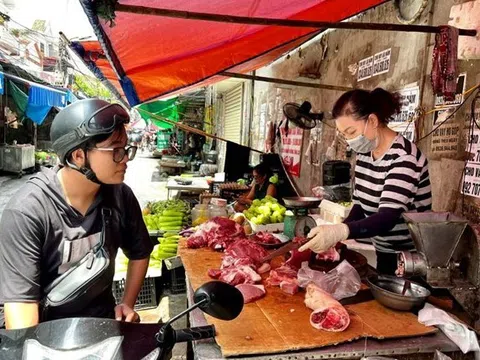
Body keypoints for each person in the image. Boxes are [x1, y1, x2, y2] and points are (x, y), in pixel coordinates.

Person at [0, 99, 153, 329]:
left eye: (126, 149)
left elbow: (140, 252)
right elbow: (21, 319)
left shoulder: (121, 197)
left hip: (99, 325)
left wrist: (127, 303)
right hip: (43, 330)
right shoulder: (27, 212)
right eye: (116, 150)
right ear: (78, 156)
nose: (125, 159)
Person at [299, 88, 432, 275]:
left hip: (411, 259)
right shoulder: (364, 156)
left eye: (351, 131)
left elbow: (387, 218)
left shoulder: (404, 158)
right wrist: (336, 233)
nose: (348, 140)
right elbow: (360, 206)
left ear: (372, 121)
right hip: (384, 250)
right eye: (344, 134)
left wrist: (343, 231)